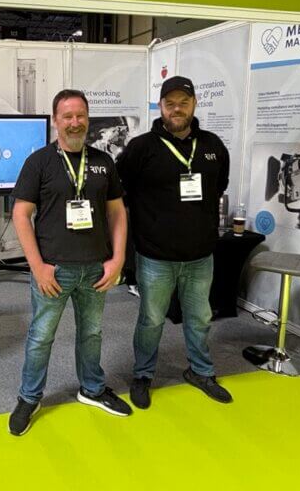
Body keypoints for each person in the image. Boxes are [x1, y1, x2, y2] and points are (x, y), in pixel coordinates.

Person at [8, 89, 131, 436]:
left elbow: (117, 212)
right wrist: (37, 266)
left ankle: (91, 388)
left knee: (91, 333)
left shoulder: (103, 162)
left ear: (87, 119)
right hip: (53, 270)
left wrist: (118, 259)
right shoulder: (40, 162)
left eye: (80, 116)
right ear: (55, 121)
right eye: (67, 116)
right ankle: (29, 397)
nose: (75, 122)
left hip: (96, 268)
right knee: (41, 337)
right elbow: (20, 214)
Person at [116, 75, 232, 409]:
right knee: (152, 320)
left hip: (200, 256)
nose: (177, 109)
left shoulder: (213, 146)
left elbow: (219, 186)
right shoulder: (141, 148)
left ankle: (200, 371)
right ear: (161, 107)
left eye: (184, 102)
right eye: (170, 104)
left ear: (194, 104)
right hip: (155, 256)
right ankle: (143, 375)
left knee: (199, 318)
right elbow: (121, 193)